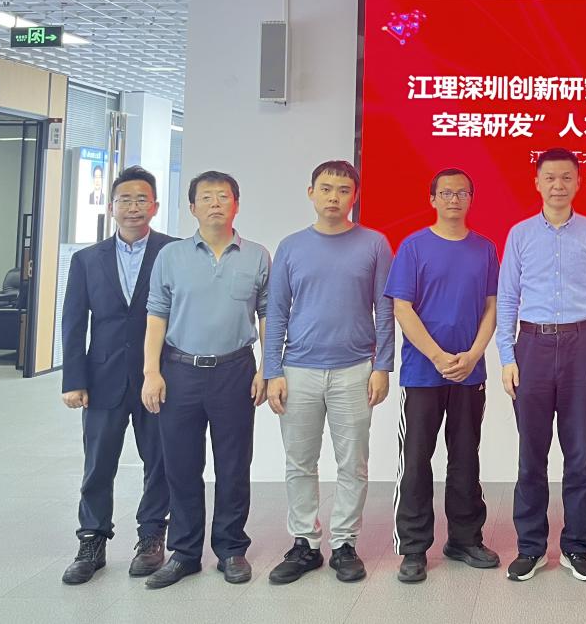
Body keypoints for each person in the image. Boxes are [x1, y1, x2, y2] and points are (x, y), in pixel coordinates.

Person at [263, 160, 395, 585]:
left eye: (342, 190)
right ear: (311, 193)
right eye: (325, 188)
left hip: (355, 369)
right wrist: (272, 370)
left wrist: (382, 366)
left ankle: (344, 544)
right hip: (298, 369)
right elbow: (276, 312)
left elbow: (385, 309)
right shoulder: (290, 247)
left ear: (355, 196)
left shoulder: (374, 244)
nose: (333, 197)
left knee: (352, 463)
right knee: (299, 462)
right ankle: (304, 542)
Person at [140, 170, 270, 589]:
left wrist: (268, 368)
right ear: (192, 207)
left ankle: (231, 549)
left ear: (237, 204)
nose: (216, 203)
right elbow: (156, 315)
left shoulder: (256, 255)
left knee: (233, 465)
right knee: (181, 465)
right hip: (179, 371)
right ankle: (185, 553)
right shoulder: (171, 256)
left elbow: (267, 314)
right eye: (207, 197)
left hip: (236, 370)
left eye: (224, 196)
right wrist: (151, 372)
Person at [498, 148, 586, 583]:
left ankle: (576, 547)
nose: (558, 185)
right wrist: (507, 357)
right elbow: (507, 298)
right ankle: (530, 547)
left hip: (581, 346)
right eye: (550, 177)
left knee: (579, 456)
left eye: (566, 177)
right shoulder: (519, 235)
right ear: (537, 182)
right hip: (530, 346)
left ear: (578, 182)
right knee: (531, 455)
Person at [59, 165, 177, 584]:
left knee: (158, 461)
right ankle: (92, 540)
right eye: (125, 200)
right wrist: (74, 380)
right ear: (111, 207)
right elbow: (74, 322)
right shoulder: (87, 260)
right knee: (98, 464)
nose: (133, 207)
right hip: (102, 378)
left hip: (157, 377)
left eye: (142, 199)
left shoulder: (173, 252)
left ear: (155, 206)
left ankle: (151, 537)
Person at [386, 168, 500, 584]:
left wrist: (473, 355)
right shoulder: (413, 247)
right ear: (432, 199)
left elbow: (492, 307)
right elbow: (402, 308)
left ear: (471, 198)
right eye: (446, 193)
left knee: (466, 458)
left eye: (462, 193)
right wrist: (436, 356)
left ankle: (465, 540)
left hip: (469, 373)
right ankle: (414, 547)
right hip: (423, 373)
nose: (454, 199)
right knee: (416, 460)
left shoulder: (485, 249)